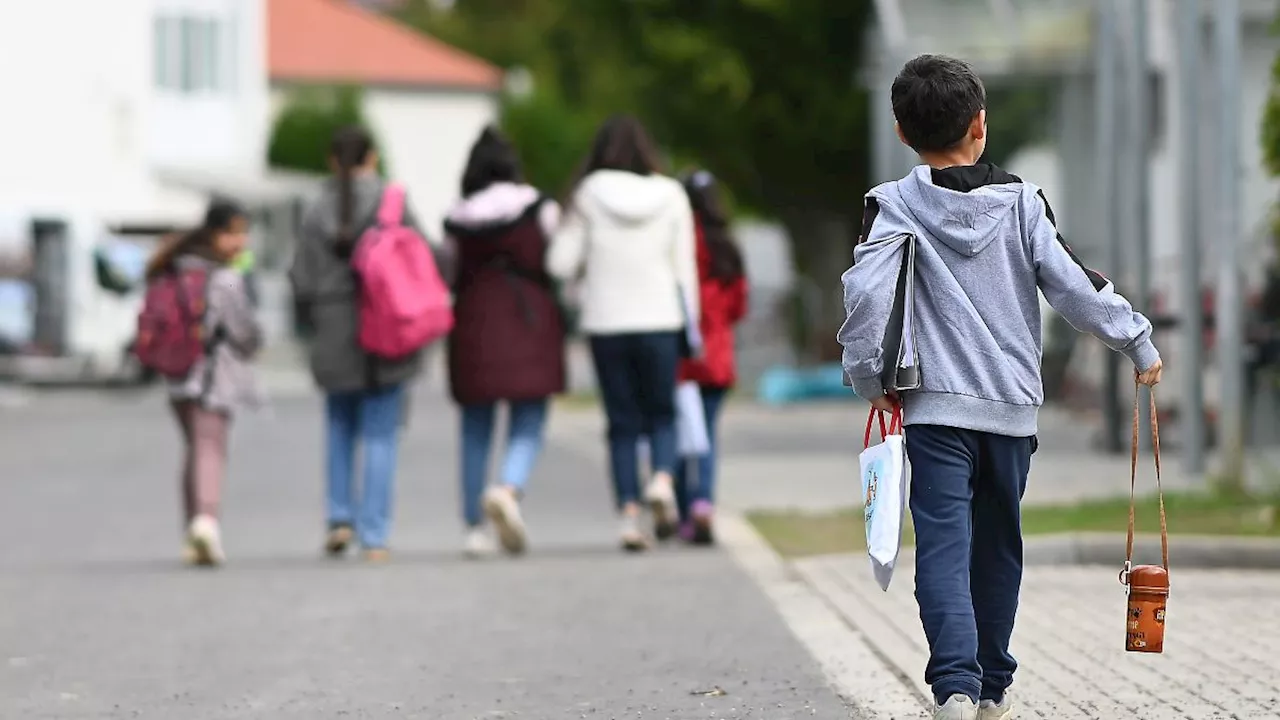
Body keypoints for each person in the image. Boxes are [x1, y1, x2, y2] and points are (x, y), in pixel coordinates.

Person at [837, 54, 1163, 720]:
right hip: (1011, 413)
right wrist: (1136, 340)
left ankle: (954, 687)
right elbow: (1074, 284)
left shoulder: (890, 205)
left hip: (933, 412)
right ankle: (992, 688)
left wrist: (869, 378)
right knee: (999, 549)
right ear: (980, 125)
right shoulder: (1022, 202)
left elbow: (866, 300)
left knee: (944, 549)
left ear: (901, 131)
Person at [289, 126, 451, 563]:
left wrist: (310, 326)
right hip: (388, 328)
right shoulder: (391, 202)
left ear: (330, 161)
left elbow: (300, 278)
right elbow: (428, 259)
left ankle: (339, 518)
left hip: (332, 328)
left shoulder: (313, 208)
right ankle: (374, 535)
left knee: (339, 427)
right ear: (372, 158)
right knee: (381, 434)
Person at [548, 115, 698, 551]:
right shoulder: (671, 194)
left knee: (621, 423)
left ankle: (629, 518)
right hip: (661, 319)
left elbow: (558, 263)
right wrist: (692, 323)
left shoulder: (588, 194)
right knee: (662, 414)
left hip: (606, 321)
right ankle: (664, 482)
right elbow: (684, 268)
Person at [443, 126, 566, 557]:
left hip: (474, 323)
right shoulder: (539, 208)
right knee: (529, 419)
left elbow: (449, 273)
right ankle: (509, 488)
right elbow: (560, 261)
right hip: (529, 321)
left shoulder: (458, 216)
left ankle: (474, 528)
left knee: (475, 429)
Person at [145, 199, 262, 567]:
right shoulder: (223, 277)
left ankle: (191, 529)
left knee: (194, 448)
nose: (240, 241)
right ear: (215, 233)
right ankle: (206, 523)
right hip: (213, 376)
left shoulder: (170, 269)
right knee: (210, 447)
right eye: (233, 233)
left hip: (176, 375)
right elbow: (243, 331)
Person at [672, 170, 748, 546]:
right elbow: (738, 305)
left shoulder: (677, 242)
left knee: (679, 435)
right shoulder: (727, 247)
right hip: (717, 357)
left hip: (682, 359)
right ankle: (703, 503)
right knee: (706, 438)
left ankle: (681, 510)